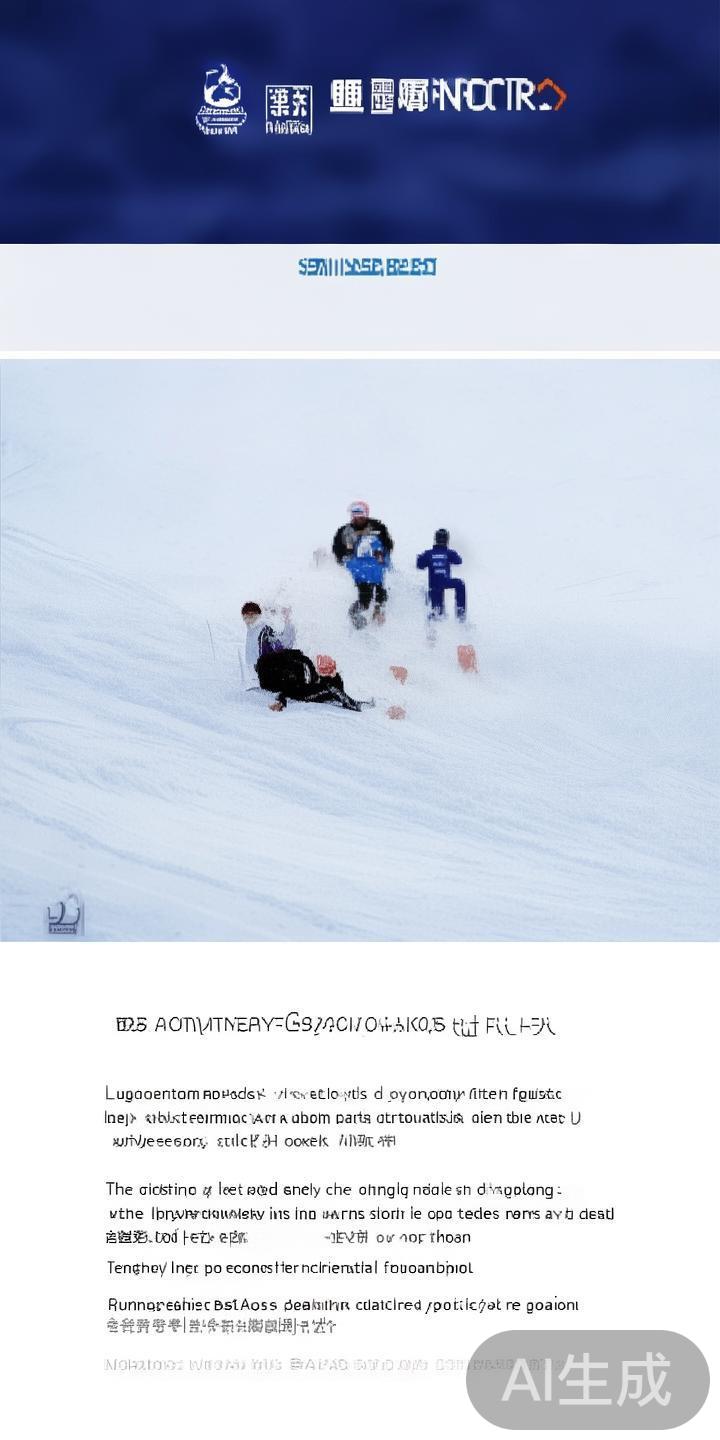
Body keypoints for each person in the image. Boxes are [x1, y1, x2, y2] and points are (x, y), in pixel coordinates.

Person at [241, 602, 363, 712]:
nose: (249, 618)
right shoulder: (253, 632)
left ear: (258, 615)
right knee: (316, 686)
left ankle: (338, 693)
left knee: (315, 686)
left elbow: (283, 644)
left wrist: (287, 621)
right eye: (246, 615)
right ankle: (335, 690)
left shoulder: (263, 631)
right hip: (275, 675)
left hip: (279, 674)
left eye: (253, 615)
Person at [332, 500, 394, 627]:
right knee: (364, 600)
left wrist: (383, 554)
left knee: (381, 592)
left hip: (378, 568)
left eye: (361, 516)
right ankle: (357, 621)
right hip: (361, 572)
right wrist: (345, 557)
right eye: (355, 517)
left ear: (366, 515)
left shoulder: (378, 527)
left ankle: (379, 615)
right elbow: (338, 550)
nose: (358, 519)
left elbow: (388, 544)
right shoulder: (345, 531)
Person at [416, 529, 466, 621]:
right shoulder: (449, 552)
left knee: (436, 614)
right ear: (447, 540)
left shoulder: (428, 553)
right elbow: (458, 561)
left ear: (435, 539)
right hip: (446, 582)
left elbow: (419, 565)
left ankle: (430, 631)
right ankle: (461, 615)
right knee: (460, 584)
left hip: (434, 585)